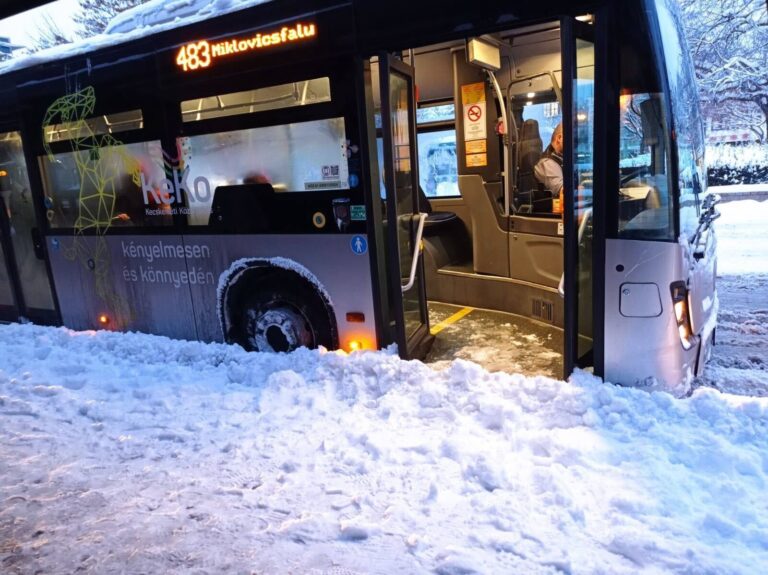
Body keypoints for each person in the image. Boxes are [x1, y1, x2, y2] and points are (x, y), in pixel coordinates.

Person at [534, 122, 564, 213]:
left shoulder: (559, 158)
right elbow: (563, 191)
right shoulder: (548, 163)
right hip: (549, 213)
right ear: (559, 138)